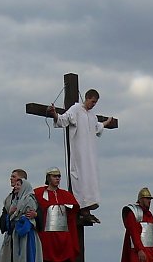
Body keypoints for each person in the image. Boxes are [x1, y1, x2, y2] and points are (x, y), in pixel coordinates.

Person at [49, 89, 114, 223]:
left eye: (95, 103)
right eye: (92, 102)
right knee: (80, 176)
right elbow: (63, 119)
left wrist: (107, 122)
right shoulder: (76, 109)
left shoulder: (92, 115)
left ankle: (88, 209)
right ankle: (82, 208)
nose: (93, 105)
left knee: (91, 178)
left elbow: (97, 127)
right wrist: (54, 113)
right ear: (87, 98)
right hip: (79, 152)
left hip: (90, 153)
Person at [35, 168, 80, 262]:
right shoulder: (39, 193)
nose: (57, 179)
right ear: (49, 178)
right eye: (55, 176)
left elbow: (73, 212)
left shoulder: (65, 195)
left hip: (63, 237)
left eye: (59, 176)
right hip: (47, 237)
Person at [0, 178, 45, 262]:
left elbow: (31, 217)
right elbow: (5, 219)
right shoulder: (12, 200)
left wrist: (22, 222)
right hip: (15, 238)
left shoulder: (29, 199)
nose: (16, 186)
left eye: (19, 184)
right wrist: (10, 216)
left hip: (25, 238)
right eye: (16, 184)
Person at [0, 168, 31, 262]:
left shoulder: (29, 196)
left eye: (14, 177)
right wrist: (8, 215)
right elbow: (4, 215)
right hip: (11, 235)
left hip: (23, 236)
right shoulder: (9, 198)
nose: (11, 179)